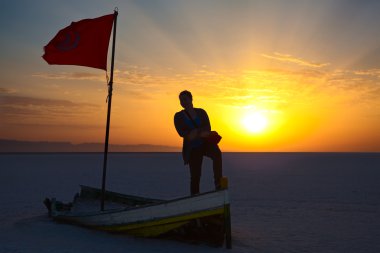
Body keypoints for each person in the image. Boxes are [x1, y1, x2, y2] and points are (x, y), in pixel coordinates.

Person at [174, 90, 222, 195]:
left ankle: (218, 183)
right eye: (181, 100)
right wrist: (198, 133)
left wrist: (195, 133)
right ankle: (195, 198)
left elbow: (208, 129)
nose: (183, 102)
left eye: (185, 99)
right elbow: (183, 134)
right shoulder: (178, 116)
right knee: (195, 176)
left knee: (217, 154)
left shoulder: (201, 112)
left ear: (191, 99)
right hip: (192, 148)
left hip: (206, 144)